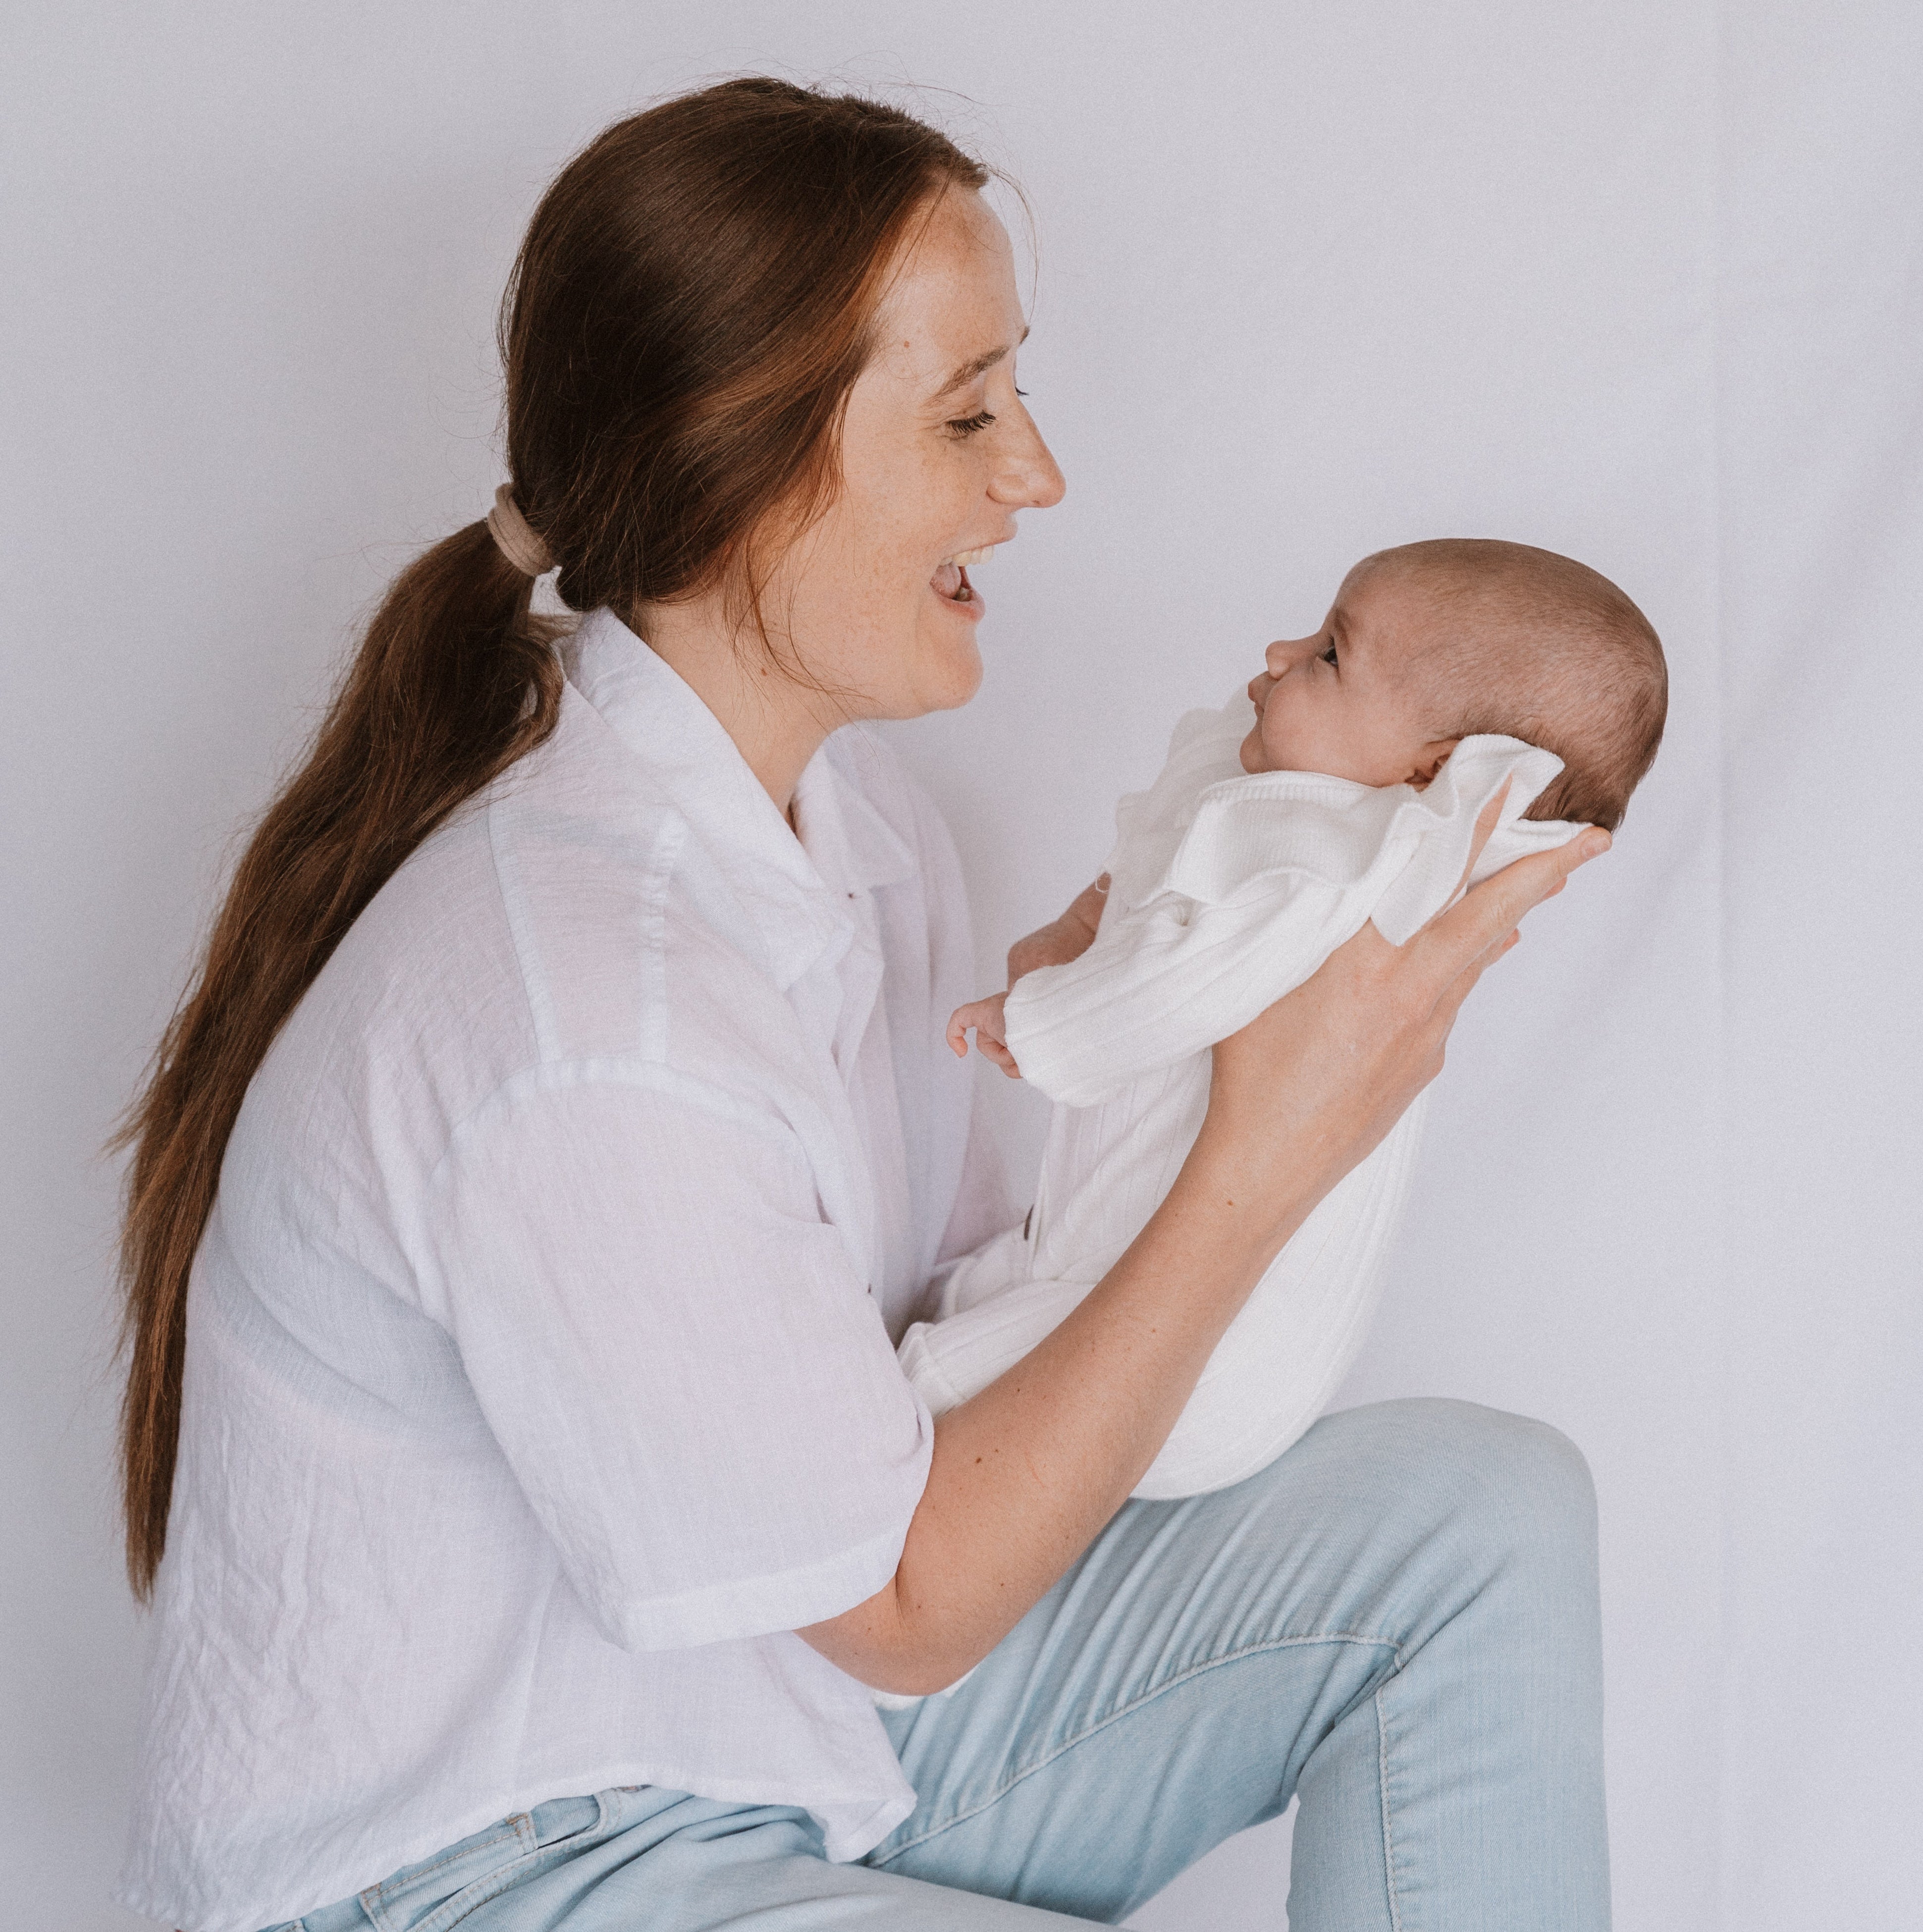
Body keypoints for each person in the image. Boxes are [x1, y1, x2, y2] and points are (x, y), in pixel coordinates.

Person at [111, 78, 1614, 1932]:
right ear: (736, 460)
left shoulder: (862, 835)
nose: (1036, 473)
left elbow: (948, 1401)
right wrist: (1267, 1151)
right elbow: (911, 1604)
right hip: (495, 1868)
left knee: (1482, 1523)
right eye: (967, 410)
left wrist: (1209, 1007)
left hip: (782, 1737)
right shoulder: (585, 1006)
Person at [912, 539, 1664, 1499]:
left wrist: (1037, 1022)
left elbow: (1173, 986)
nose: (1277, 650)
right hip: (1102, 1281)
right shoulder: (1312, 825)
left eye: (1330, 655)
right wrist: (1082, 921)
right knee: (959, 1313)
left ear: (1437, 770)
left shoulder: (1325, 871)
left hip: (1202, 1359)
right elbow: (1162, 875)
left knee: (919, 1390)